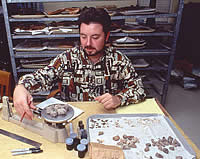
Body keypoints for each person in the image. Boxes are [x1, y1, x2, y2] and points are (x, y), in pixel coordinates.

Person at [13, 7, 146, 120]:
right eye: (83, 36)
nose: (88, 43)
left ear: (106, 36)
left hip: (106, 118)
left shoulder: (118, 60)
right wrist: (21, 87)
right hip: (72, 119)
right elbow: (42, 76)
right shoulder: (67, 59)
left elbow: (139, 89)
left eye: (95, 37)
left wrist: (118, 99)